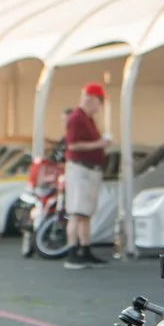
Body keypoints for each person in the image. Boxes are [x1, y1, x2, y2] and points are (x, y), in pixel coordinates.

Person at [63, 81, 110, 269]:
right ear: (90, 99)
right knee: (77, 212)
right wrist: (99, 144)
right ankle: (72, 251)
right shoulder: (76, 119)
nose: (100, 106)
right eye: (99, 101)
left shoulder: (87, 119)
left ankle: (85, 248)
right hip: (80, 169)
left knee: (86, 213)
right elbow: (73, 144)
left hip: (90, 169)